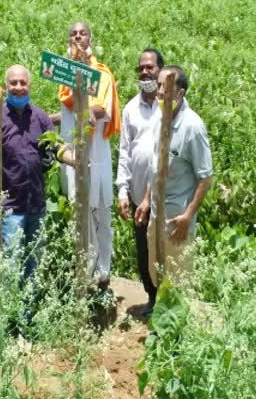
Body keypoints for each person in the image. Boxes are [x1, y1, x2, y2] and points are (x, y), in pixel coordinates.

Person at [0, 64, 73, 283]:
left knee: (33, 264)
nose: (18, 87)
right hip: (11, 208)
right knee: (10, 266)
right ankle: (4, 316)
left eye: (23, 82)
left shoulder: (39, 117)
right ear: (6, 86)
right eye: (13, 83)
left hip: (36, 206)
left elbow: (56, 146)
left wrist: (73, 158)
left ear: (29, 85)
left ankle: (28, 316)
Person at [51, 22, 121, 292]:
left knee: (99, 214)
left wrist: (90, 115)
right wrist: (48, 119)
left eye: (82, 33)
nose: (77, 37)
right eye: (73, 34)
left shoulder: (101, 74)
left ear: (91, 39)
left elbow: (102, 108)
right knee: (78, 212)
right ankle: (84, 271)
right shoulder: (65, 77)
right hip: (72, 154)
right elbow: (68, 112)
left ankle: (103, 274)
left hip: (95, 152)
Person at [135, 65, 212, 288]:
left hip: (177, 221)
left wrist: (188, 216)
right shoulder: (161, 117)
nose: (159, 91)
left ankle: (177, 323)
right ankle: (159, 320)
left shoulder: (193, 127)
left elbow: (205, 178)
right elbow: (156, 167)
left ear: (180, 93)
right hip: (156, 216)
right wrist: (147, 199)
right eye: (158, 85)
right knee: (156, 274)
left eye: (165, 86)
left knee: (178, 283)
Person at [115, 48, 164, 315]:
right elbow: (125, 150)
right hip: (136, 195)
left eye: (150, 67)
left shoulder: (169, 107)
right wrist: (123, 190)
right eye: (141, 68)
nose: (145, 71)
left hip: (163, 196)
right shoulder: (131, 108)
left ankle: (168, 301)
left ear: (161, 71)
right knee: (144, 251)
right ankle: (152, 297)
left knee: (164, 249)